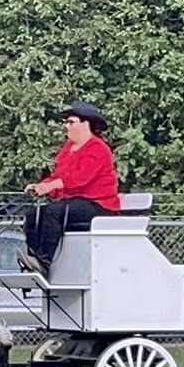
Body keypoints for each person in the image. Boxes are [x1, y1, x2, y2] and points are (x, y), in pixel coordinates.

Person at [17, 100, 122, 276]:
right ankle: (32, 261)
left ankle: (43, 262)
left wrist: (52, 185)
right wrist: (41, 186)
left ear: (86, 124)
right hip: (74, 203)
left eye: (71, 122)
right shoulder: (68, 148)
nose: (66, 126)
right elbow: (59, 176)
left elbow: (80, 178)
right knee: (33, 215)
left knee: (54, 211)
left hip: (99, 205)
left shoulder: (98, 148)